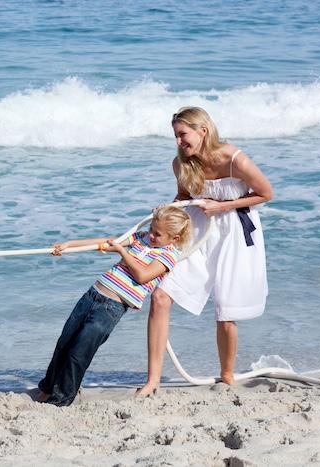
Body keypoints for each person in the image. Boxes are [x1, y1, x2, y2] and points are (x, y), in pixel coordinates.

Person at [136, 107, 273, 397]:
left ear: (203, 131)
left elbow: (265, 193)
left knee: (226, 311)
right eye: (175, 136)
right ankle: (153, 381)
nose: (178, 142)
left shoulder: (233, 158)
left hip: (235, 231)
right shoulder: (181, 164)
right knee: (160, 296)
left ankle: (226, 377)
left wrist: (220, 206)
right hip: (197, 232)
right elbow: (185, 198)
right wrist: (166, 211)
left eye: (182, 135)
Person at [37, 206, 192, 406]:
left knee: (79, 353)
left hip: (110, 308)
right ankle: (48, 388)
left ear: (174, 238)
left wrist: (122, 252)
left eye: (157, 234)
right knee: (64, 343)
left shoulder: (168, 256)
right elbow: (107, 242)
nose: (151, 235)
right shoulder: (141, 237)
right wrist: (70, 245)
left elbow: (142, 275)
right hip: (92, 295)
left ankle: (61, 400)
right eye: (152, 229)